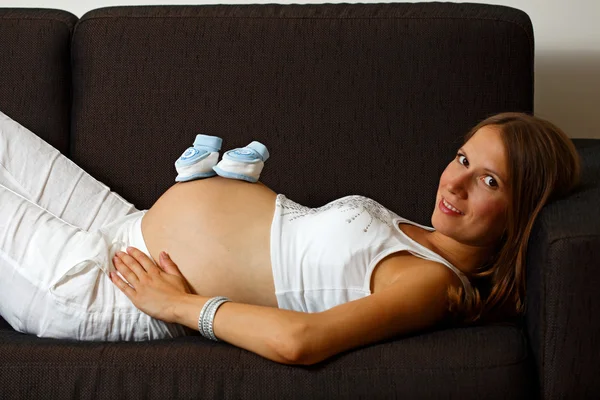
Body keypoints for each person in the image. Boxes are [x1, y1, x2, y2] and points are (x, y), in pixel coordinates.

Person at [0, 111, 580, 365]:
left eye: (489, 180)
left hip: (107, 286)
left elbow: (303, 341)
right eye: (462, 157)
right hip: (123, 221)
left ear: (520, 213)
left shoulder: (431, 283)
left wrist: (181, 305)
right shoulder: (422, 234)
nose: (455, 181)